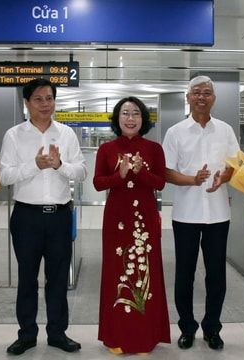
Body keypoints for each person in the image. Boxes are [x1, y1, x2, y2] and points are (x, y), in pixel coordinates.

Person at [0, 78, 87, 355]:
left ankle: (58, 334)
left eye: (49, 98)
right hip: (26, 217)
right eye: (38, 99)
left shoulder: (67, 135)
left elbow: (82, 172)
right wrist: (33, 166)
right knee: (27, 278)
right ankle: (26, 335)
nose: (45, 104)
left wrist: (60, 165)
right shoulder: (14, 135)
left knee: (58, 279)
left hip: (59, 216)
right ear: (26, 103)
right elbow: (4, 176)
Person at [162, 75, 240, 351]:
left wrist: (224, 177)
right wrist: (192, 180)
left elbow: (235, 164)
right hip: (186, 215)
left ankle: (212, 328)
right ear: (188, 97)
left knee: (216, 274)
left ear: (214, 99)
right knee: (184, 274)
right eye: (196, 92)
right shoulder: (175, 132)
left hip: (218, 215)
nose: (202, 97)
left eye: (207, 92)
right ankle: (186, 328)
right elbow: (166, 172)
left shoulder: (226, 130)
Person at [93, 97, 171, 355]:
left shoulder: (154, 148)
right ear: (117, 118)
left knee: (145, 272)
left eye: (136, 113)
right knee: (117, 271)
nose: (130, 118)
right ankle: (115, 335)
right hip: (116, 219)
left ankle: (144, 337)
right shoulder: (106, 149)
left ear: (143, 119)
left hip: (145, 220)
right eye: (125, 113)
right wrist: (121, 175)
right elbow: (98, 183)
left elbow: (159, 183)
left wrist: (139, 172)